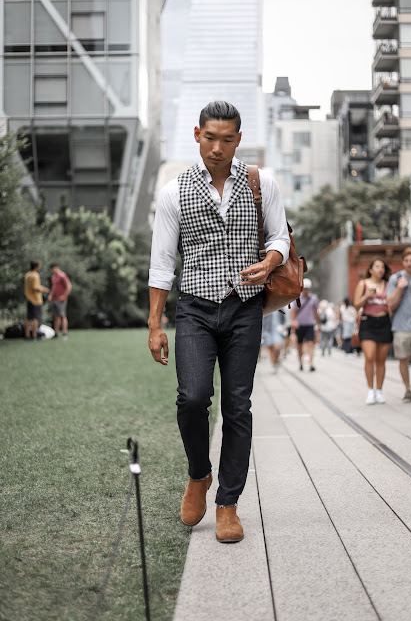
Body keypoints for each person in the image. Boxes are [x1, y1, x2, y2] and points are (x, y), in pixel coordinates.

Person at [148, 101, 290, 543]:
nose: (217, 148)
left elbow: (279, 237)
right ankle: (199, 475)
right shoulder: (174, 192)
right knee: (192, 398)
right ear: (196, 135)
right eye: (210, 138)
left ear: (238, 140)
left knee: (237, 406)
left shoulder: (260, 181)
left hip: (244, 307)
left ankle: (228, 503)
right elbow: (161, 264)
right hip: (194, 307)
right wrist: (154, 324)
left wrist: (269, 263)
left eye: (227, 139)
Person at [386, 247, 411, 404]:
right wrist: (399, 288)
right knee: (403, 359)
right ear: (403, 262)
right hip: (401, 325)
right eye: (406, 261)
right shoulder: (395, 279)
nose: (409, 264)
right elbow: (391, 304)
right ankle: (408, 390)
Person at [354, 257, 392, 405]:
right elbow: (356, 305)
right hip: (368, 322)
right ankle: (370, 390)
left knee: (381, 360)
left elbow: (392, 304)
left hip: (384, 322)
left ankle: (379, 391)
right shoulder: (363, 284)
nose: (380, 270)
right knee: (369, 357)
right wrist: (366, 296)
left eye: (382, 267)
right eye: (377, 267)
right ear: (370, 269)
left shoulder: (388, 284)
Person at [291, 278, 319, 371]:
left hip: (310, 324)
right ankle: (300, 362)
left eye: (307, 288)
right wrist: (293, 321)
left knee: (311, 343)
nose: (306, 290)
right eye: (304, 288)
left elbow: (315, 312)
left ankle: (311, 364)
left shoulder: (314, 298)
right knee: (300, 345)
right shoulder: (297, 298)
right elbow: (294, 311)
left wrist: (318, 322)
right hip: (299, 325)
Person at [24, 260, 49, 340]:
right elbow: (35, 287)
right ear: (36, 266)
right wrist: (43, 289)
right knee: (36, 318)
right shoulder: (35, 275)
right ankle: (34, 335)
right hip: (36, 300)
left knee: (28, 318)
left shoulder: (27, 274)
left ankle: (27, 335)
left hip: (29, 298)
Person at [48, 264, 72, 340]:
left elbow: (69, 286)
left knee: (63, 316)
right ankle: (56, 334)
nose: (52, 270)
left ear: (57, 268)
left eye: (53, 269)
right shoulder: (53, 277)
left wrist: (64, 296)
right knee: (56, 317)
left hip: (61, 299)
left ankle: (64, 333)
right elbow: (54, 287)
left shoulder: (62, 276)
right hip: (54, 299)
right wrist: (51, 295)